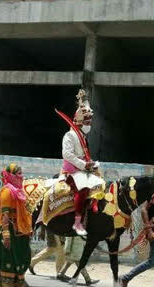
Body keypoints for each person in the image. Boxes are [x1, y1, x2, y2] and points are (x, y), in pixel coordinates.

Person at [56, 89, 105, 236]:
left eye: (90, 121)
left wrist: (90, 164)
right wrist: (84, 165)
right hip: (71, 170)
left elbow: (84, 155)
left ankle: (94, 205)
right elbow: (67, 154)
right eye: (87, 121)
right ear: (79, 121)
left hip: (82, 168)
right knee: (83, 188)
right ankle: (77, 222)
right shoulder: (70, 135)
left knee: (100, 180)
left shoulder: (83, 136)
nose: (89, 123)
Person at [0, 163, 33, 287]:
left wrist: (28, 228)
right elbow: (4, 215)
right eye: (18, 173)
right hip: (9, 232)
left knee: (20, 259)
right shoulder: (7, 191)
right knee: (9, 260)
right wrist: (6, 234)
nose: (21, 176)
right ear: (10, 176)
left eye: (21, 173)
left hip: (20, 232)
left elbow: (25, 212)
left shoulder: (19, 191)